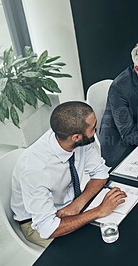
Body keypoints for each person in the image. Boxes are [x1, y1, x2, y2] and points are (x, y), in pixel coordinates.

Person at [11, 101, 127, 248]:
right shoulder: (35, 170)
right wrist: (98, 211)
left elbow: (100, 173)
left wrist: (77, 205)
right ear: (76, 137)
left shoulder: (73, 139)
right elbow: (48, 228)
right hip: (37, 223)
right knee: (93, 248)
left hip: (68, 204)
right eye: (93, 128)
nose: (96, 130)